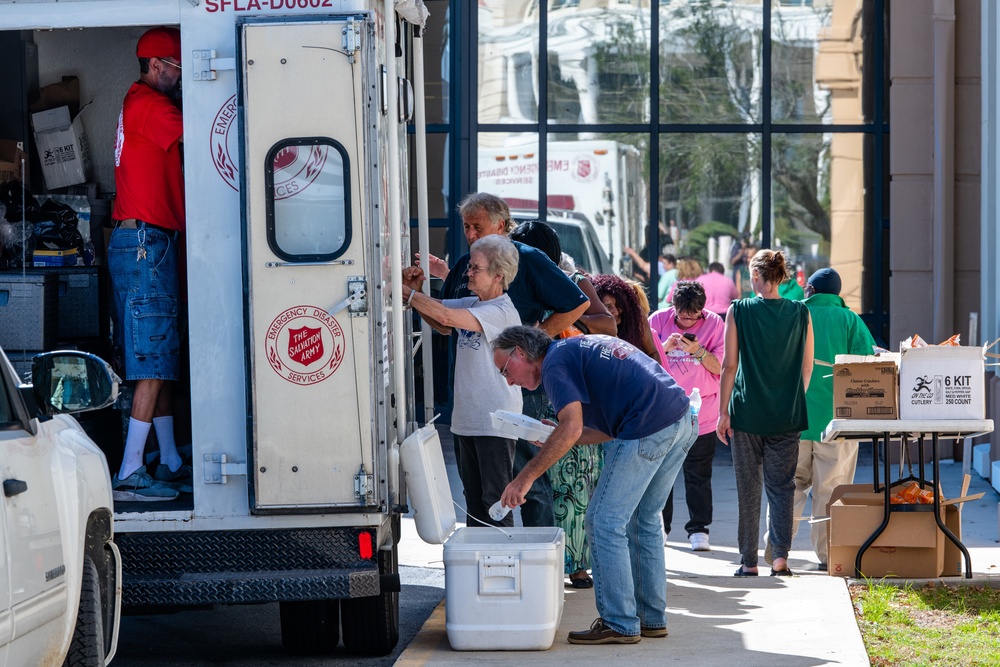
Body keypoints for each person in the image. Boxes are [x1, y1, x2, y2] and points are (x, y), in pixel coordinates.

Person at [494, 326, 696, 644]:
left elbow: (572, 426)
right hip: (680, 418)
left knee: (603, 520)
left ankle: (619, 622)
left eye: (505, 370)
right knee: (643, 520)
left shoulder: (554, 364)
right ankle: (651, 619)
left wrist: (525, 477)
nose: (508, 380)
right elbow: (600, 429)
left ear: (521, 352)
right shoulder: (575, 349)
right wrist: (557, 434)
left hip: (652, 423)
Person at [408, 193, 590, 528]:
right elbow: (446, 321)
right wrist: (417, 296)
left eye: (478, 226)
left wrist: (534, 339)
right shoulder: (469, 277)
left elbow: (577, 303)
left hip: (512, 397)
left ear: (502, 226)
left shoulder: (524, 266)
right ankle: (486, 569)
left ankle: (532, 563)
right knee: (483, 499)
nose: (471, 233)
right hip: (470, 412)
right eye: (466, 226)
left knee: (518, 489)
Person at [509, 220, 615, 588]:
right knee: (542, 476)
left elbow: (607, 323)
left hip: (569, 382)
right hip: (534, 384)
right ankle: (552, 561)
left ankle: (579, 564)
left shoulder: (574, 278)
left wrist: (565, 319)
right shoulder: (511, 280)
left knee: (576, 478)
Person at [108, 27, 189, 502]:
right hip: (144, 241)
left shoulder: (138, 102)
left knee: (160, 351)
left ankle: (170, 458)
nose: (180, 77)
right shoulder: (149, 106)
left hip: (145, 240)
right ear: (157, 64)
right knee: (152, 358)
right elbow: (199, 126)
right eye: (177, 67)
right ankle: (131, 468)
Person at [402, 235, 522, 527]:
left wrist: (407, 295)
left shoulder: (501, 311)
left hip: (495, 421)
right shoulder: (474, 302)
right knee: (473, 501)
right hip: (468, 419)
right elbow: (443, 322)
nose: (468, 272)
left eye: (475, 268)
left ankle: (498, 565)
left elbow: (445, 314)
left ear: (498, 275)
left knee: (495, 503)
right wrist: (418, 292)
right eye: (470, 266)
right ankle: (478, 567)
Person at [718, 249, 813, 577]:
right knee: (782, 486)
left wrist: (722, 412)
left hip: (747, 411)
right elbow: (807, 366)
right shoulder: (801, 312)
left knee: (748, 487)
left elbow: (730, 366)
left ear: (756, 276)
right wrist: (792, 397)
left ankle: (749, 562)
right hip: (787, 413)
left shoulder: (739, 310)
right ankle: (780, 559)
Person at [773, 267, 876, 570]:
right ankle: (828, 556)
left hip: (794, 420)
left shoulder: (793, 316)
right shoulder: (850, 320)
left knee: (787, 487)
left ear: (812, 291)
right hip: (837, 423)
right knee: (830, 490)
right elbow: (868, 364)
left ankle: (778, 552)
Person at [649, 281, 725, 552]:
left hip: (703, 412)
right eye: (683, 315)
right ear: (674, 307)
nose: (689, 320)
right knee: (661, 475)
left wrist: (699, 351)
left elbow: (722, 368)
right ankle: (661, 527)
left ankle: (699, 529)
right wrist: (664, 347)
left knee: (699, 474)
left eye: (695, 315)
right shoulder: (657, 320)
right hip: (664, 411)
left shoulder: (715, 324)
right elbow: (643, 361)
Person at [591, 273, 662, 364]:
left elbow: (652, 352)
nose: (615, 311)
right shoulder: (590, 324)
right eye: (608, 306)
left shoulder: (636, 315)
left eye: (618, 305)